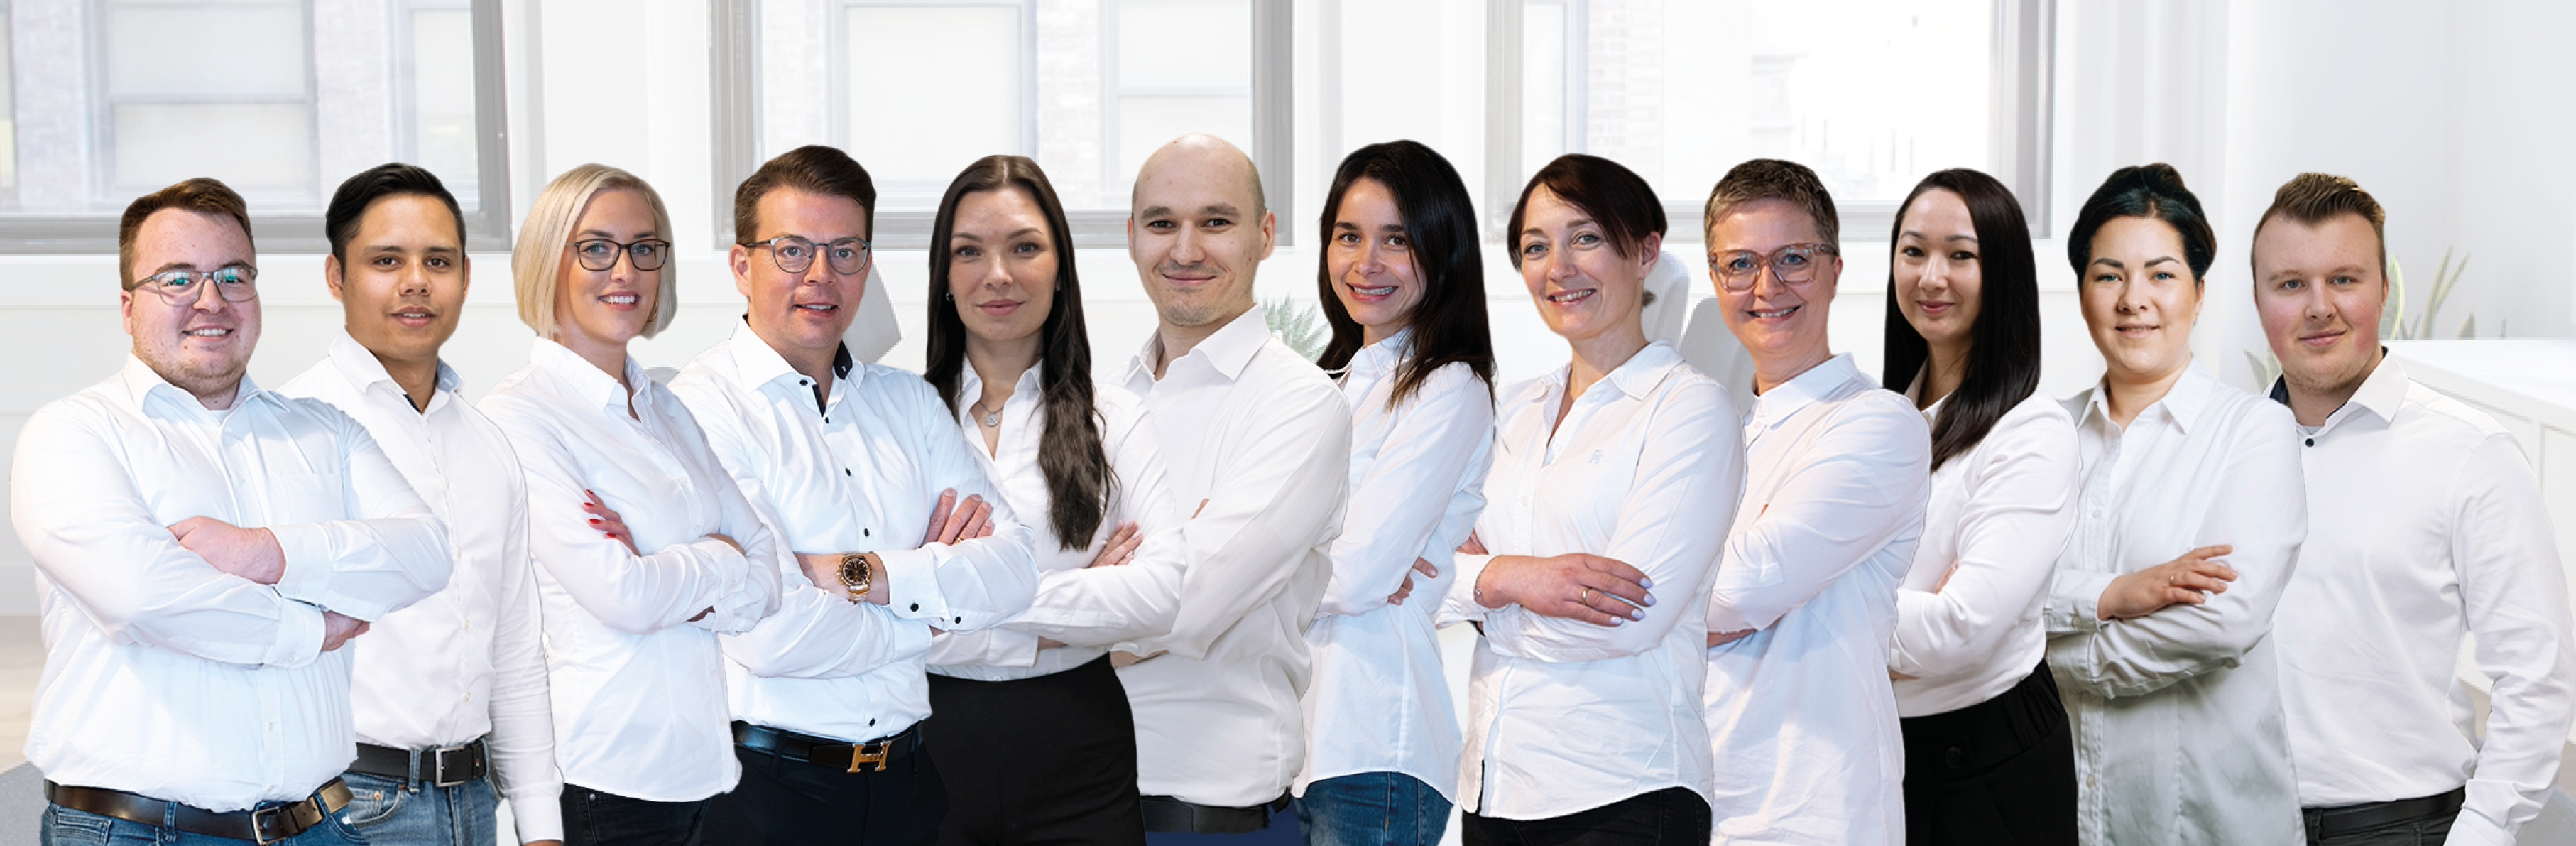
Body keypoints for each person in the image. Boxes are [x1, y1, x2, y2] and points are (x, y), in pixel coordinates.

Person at [11, 177, 452, 844]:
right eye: (177, 279)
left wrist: (266, 552)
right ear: (128, 307)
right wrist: (310, 628)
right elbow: (142, 596)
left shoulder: (325, 431)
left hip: (320, 823)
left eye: (233, 275)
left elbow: (427, 553)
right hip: (136, 830)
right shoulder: (73, 433)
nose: (211, 299)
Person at [663, 145, 1042, 846]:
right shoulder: (699, 410)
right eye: (792, 250)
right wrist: (930, 617)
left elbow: (1015, 570)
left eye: (845, 251)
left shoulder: (910, 404)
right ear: (742, 266)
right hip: (763, 792)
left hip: (909, 786)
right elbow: (771, 635)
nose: (820, 275)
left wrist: (853, 573)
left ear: (867, 264)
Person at [2254, 173, 2575, 845]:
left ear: (2383, 290)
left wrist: (2483, 830)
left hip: (2401, 826)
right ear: (2259, 300)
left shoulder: (2472, 453)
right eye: (2291, 284)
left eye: (2344, 279)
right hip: (2238, 819)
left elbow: (2536, 675)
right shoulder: (2227, 451)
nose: (2319, 306)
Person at [479, 163, 785, 846]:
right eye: (596, 248)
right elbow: (625, 596)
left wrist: (669, 565)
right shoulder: (519, 417)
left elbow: (769, 575)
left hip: (704, 772)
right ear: (549, 260)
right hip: (602, 781)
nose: (626, 270)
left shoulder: (667, 407)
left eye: (644, 248)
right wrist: (718, 556)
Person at [1441, 153, 1741, 845]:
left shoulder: (1688, 411)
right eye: (1535, 248)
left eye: (1586, 238)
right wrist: (1511, 579)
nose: (1559, 268)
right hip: (1493, 783)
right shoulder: (1509, 412)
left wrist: (1481, 600)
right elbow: (1416, 574)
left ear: (1646, 251)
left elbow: (1627, 621)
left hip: (1625, 789)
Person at [278, 163, 565, 846]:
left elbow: (515, 650)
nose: (416, 281)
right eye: (387, 260)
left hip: (472, 802)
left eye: (437, 261)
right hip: (346, 806)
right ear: (336, 276)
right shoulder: (289, 430)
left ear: (465, 276)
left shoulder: (488, 444)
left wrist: (541, 826)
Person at [917, 154, 1191, 846]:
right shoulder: (893, 421)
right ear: (944, 274)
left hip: (1080, 751)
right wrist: (1077, 600)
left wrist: (955, 592)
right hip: (922, 746)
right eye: (969, 251)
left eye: (1024, 248)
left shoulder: (1115, 417)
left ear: (1061, 266)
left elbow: (1158, 596)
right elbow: (864, 603)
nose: (997, 273)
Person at [2047, 163, 2305, 844]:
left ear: (2198, 292)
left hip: (2209, 823)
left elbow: (2222, 623)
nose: (2134, 299)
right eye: (2109, 276)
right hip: (2060, 815)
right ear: (2082, 294)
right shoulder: (2041, 437)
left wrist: (2044, 659)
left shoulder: (2253, 431)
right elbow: (1991, 595)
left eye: (2161, 274)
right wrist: (2116, 595)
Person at [1113, 134, 1353, 841]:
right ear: (1132, 238)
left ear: (1264, 235)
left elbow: (1184, 605)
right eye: (1162, 223)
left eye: (1215, 222)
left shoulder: (1298, 404)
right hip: (1079, 808)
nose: (1185, 249)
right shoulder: (1106, 401)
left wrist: (1032, 623)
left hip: (1209, 825)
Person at [1698, 158, 1931, 845]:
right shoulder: (1717, 437)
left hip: (1816, 811)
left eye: (1793, 258)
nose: (1766, 286)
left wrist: (1617, 588)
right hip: (1704, 800)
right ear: (1715, 279)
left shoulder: (1877, 423)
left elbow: (1744, 585)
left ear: (1834, 270)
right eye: (1740, 264)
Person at [1294, 140, 1495, 846]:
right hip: (1294, 743)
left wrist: (1252, 567)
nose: (1365, 262)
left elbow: (1357, 572)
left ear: (1443, 252)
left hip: (1374, 745)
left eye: (1397, 240)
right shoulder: (1326, 385)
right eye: (1348, 235)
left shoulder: (1449, 387)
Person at [1878, 168, 2081, 844]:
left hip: (1984, 764)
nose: (1931, 276)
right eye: (1913, 251)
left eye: (1961, 255)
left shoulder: (2031, 432)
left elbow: (1960, 628)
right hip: (1888, 749)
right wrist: (1898, 610)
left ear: (2004, 273)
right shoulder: (1883, 419)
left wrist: (1824, 612)